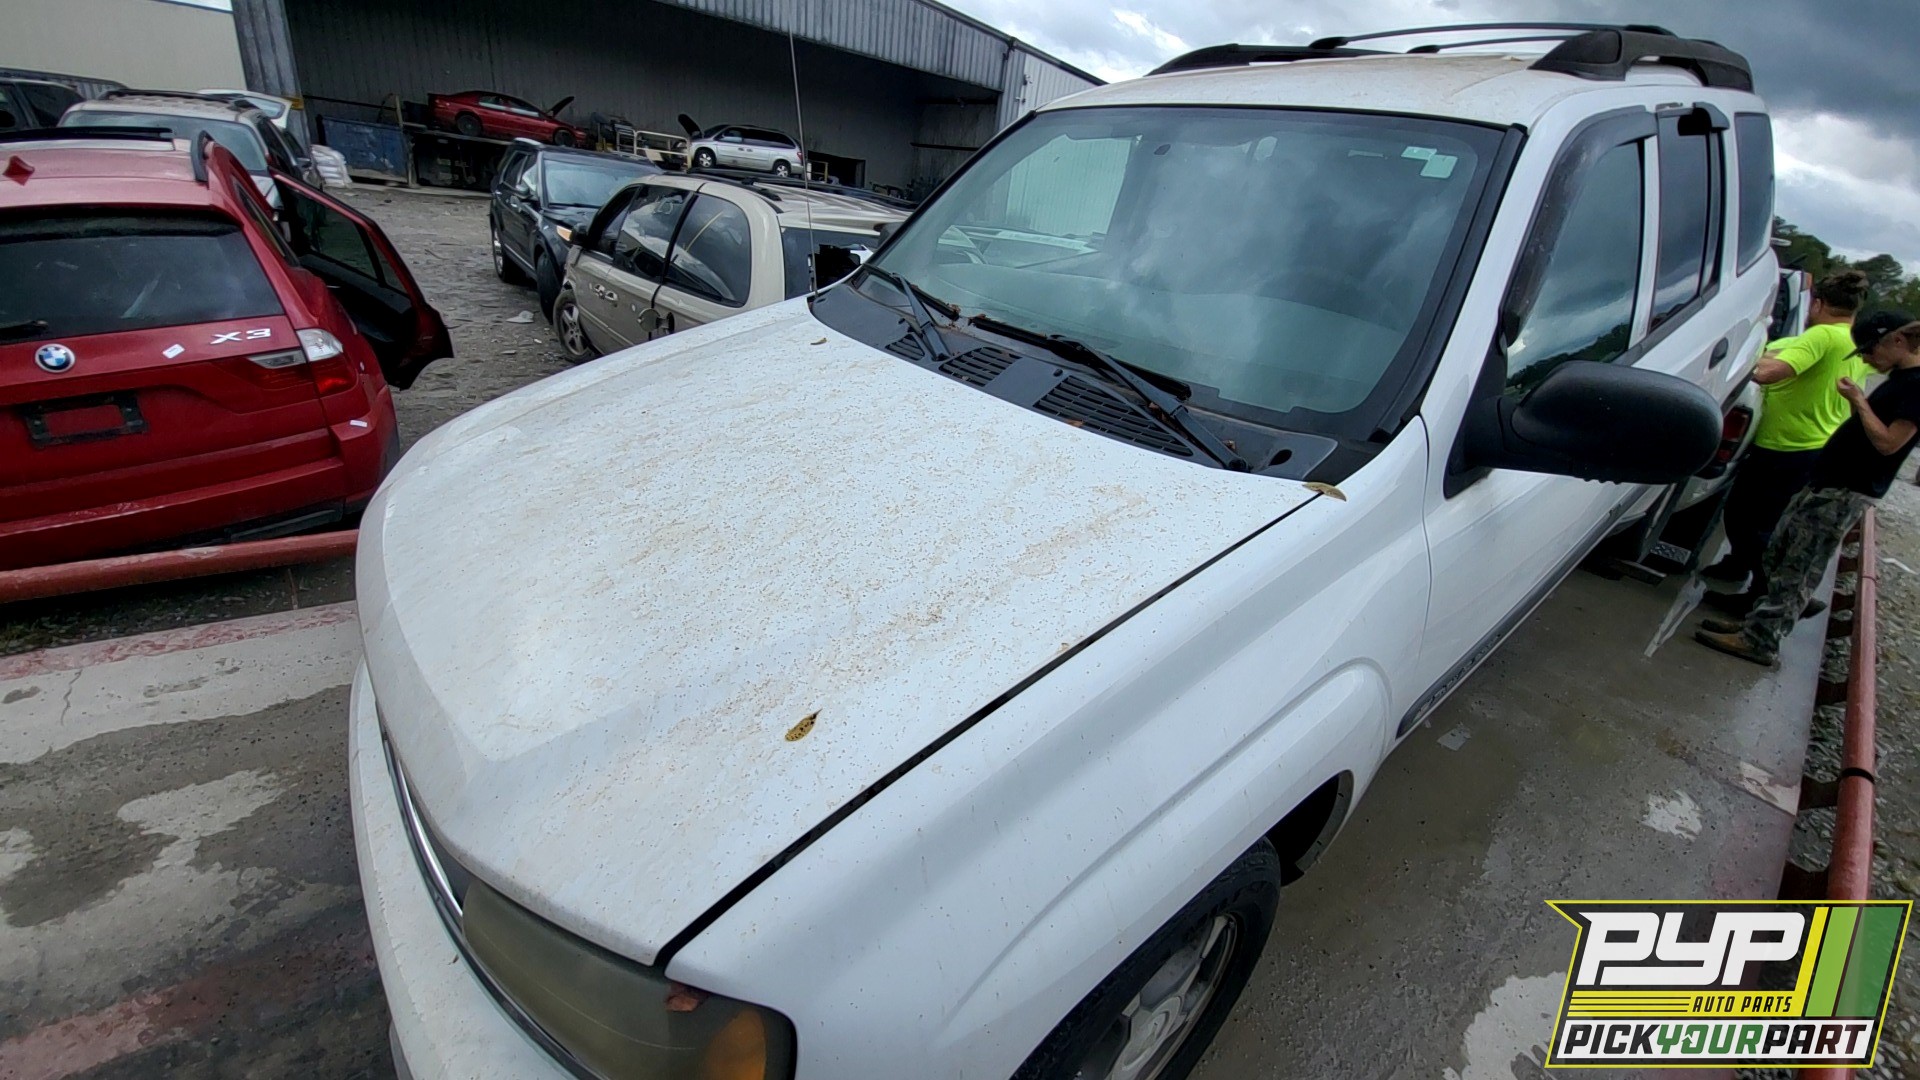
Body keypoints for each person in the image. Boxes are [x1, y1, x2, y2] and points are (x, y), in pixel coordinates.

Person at [1695, 314, 1920, 666]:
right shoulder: (1900, 380)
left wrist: (1859, 401)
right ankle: (1758, 622)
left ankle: (1762, 639)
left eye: (1869, 349)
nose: (1866, 358)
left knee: (1799, 564)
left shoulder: (1916, 387)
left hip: (1847, 490)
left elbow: (1889, 443)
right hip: (1827, 482)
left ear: (1896, 341)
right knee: (1780, 552)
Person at [1702, 270, 1873, 597]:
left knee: (1746, 517)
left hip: (1788, 446)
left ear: (1818, 304)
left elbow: (1770, 374)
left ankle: (1762, 593)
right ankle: (1739, 567)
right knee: (1767, 518)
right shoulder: (1853, 344)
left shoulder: (1821, 335)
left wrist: (1743, 361)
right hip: (1818, 445)